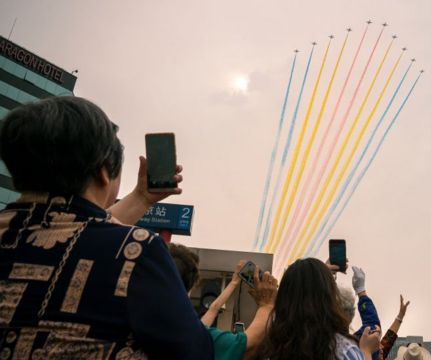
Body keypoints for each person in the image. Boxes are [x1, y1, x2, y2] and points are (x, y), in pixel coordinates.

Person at [0, 97, 213, 359]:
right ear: (104, 170)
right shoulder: (136, 251)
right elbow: (194, 350)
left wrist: (141, 197)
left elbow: (72, 229)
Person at [167, 244, 277, 360]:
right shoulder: (197, 337)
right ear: (188, 290)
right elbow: (250, 344)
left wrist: (234, 282)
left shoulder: (154, 326)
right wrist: (266, 305)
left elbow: (214, 309)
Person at [262, 258, 381, 360]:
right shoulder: (342, 350)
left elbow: (300, 293)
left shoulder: (276, 344)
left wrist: (319, 275)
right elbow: (373, 326)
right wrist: (366, 352)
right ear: (329, 301)